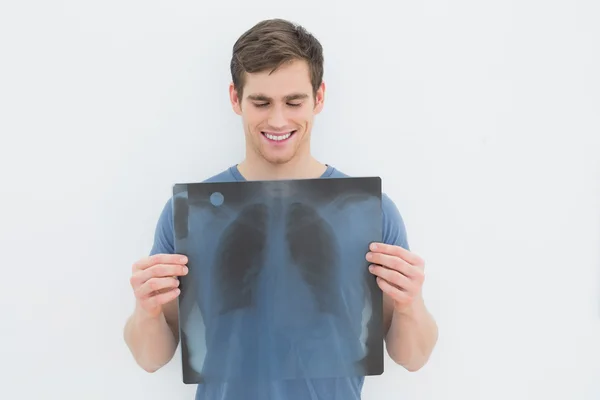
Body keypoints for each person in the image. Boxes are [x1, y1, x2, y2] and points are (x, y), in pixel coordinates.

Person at [124, 18, 438, 400]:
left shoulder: (373, 213)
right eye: (261, 102)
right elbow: (151, 357)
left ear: (318, 98)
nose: (277, 120)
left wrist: (410, 303)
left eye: (294, 101)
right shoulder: (189, 214)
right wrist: (146, 310)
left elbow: (413, 357)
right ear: (235, 99)